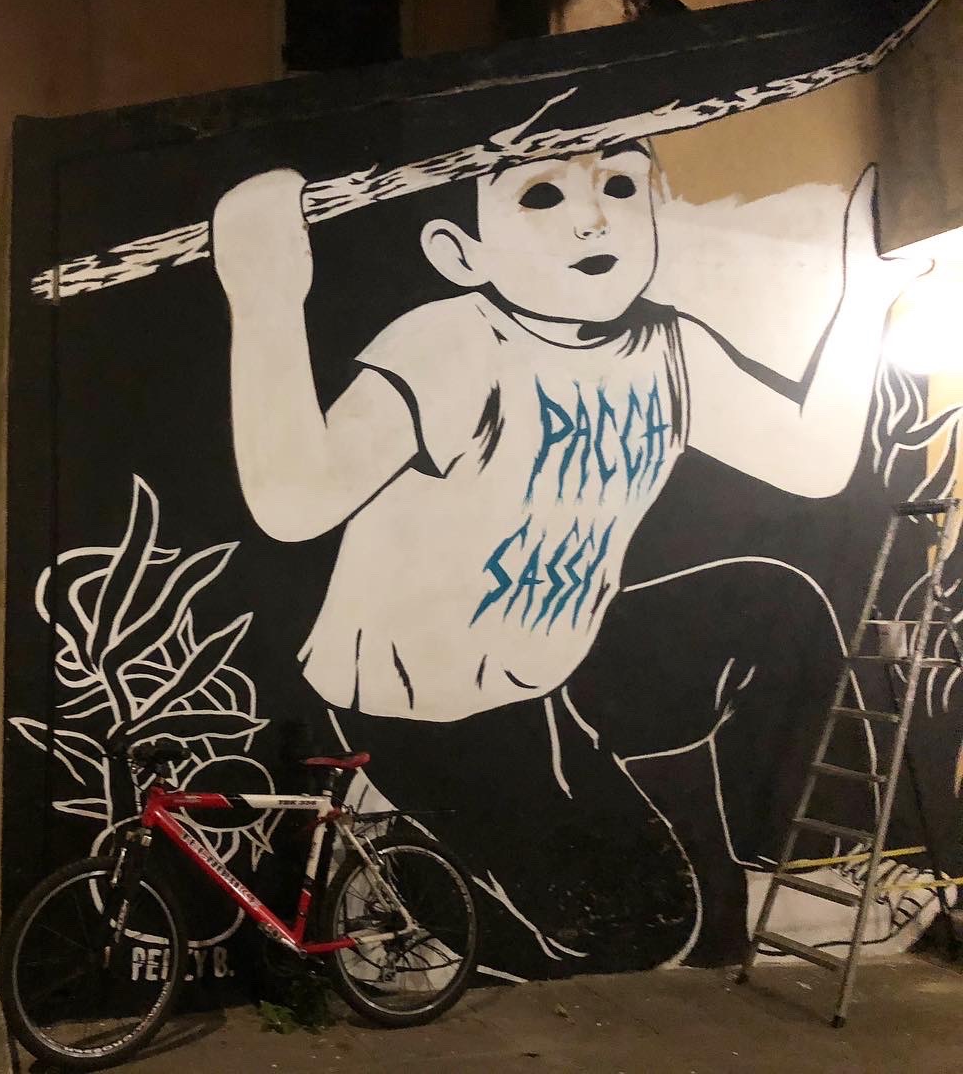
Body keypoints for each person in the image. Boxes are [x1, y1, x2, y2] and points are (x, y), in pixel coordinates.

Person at [211, 144, 925, 977]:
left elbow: (811, 460)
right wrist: (264, 293)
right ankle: (419, 888)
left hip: (563, 661)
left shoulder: (668, 345)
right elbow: (295, 501)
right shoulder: (453, 342)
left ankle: (776, 864)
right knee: (644, 930)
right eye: (541, 196)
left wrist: (863, 293)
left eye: (618, 185)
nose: (592, 217)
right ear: (461, 255)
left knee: (777, 610)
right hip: (428, 710)